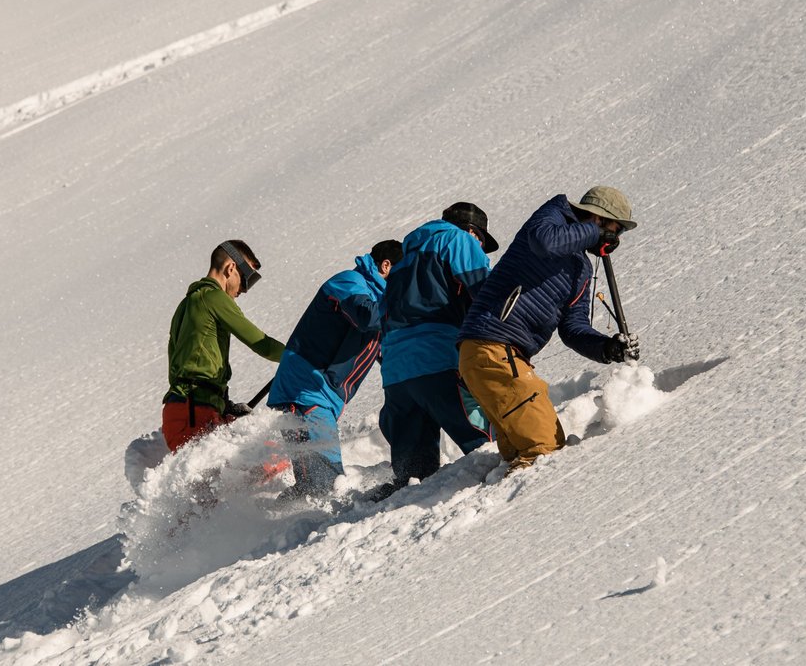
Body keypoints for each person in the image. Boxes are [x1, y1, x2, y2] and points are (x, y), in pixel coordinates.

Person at [457, 186, 641, 475]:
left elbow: (573, 328)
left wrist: (608, 348)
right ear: (596, 218)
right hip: (491, 347)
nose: (613, 240)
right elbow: (545, 242)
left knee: (525, 453)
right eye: (612, 230)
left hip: (505, 358)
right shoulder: (555, 214)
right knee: (544, 449)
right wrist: (595, 234)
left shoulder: (580, 269)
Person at [372, 202, 498, 500]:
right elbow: (486, 291)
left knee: (414, 478)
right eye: (481, 240)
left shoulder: (402, 261)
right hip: (437, 359)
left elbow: (380, 317)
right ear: (471, 230)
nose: (479, 246)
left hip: (396, 373)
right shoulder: (458, 240)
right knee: (489, 446)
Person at [267, 240, 404, 499]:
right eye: (403, 273)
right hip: (305, 389)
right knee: (324, 481)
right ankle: (297, 531)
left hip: (321, 394)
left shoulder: (377, 297)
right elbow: (366, 316)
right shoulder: (349, 282)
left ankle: (279, 525)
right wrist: (404, 302)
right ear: (386, 266)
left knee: (317, 480)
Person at [162, 240, 286, 453]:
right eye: (248, 279)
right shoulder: (213, 297)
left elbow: (179, 367)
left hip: (183, 410)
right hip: (195, 411)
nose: (245, 290)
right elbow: (262, 344)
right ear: (231, 268)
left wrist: (223, 405)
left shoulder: (186, 305)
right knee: (264, 463)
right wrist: (300, 356)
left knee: (252, 468)